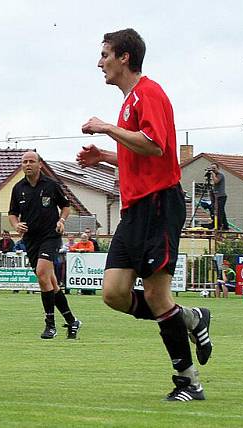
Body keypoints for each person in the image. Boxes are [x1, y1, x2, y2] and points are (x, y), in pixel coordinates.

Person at [78, 28, 211, 401]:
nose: (99, 62)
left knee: (155, 295)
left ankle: (188, 381)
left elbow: (155, 147)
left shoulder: (148, 92)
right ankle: (189, 317)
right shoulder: (129, 101)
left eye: (105, 54)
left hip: (158, 205)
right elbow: (139, 153)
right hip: (134, 210)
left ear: (124, 57)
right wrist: (104, 156)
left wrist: (106, 128)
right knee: (114, 294)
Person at [9, 151, 82, 340]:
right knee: (51, 282)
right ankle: (72, 320)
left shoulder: (51, 185)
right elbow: (12, 213)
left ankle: (50, 325)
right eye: (24, 162)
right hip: (31, 240)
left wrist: (61, 221)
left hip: (50, 236)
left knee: (42, 273)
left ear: (39, 164)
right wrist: (16, 225)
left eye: (31, 161)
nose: (28, 164)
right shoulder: (18, 188)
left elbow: (66, 206)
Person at [207, 163, 228, 231]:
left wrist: (212, 174)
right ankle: (223, 224)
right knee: (216, 210)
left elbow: (216, 181)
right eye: (212, 168)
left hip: (221, 196)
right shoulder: (214, 175)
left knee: (220, 210)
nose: (213, 170)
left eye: (214, 168)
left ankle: (220, 225)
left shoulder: (220, 175)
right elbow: (213, 184)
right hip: (215, 196)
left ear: (218, 168)